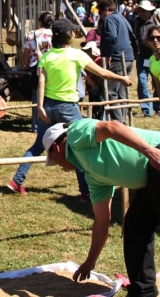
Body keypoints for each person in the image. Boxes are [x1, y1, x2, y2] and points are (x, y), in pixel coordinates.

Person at [8, 18, 132, 198]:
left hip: (48, 107)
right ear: (68, 35)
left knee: (37, 145)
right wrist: (122, 78)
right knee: (79, 147)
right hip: (67, 108)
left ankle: (16, 180)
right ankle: (85, 192)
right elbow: (102, 73)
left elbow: (41, 83)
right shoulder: (77, 55)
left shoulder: (46, 56)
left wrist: (40, 108)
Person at [43, 119, 160, 295]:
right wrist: (90, 261)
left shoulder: (75, 135)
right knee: (136, 227)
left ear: (55, 147)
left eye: (53, 159)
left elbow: (112, 127)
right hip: (149, 179)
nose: (58, 166)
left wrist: (149, 151)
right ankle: (144, 293)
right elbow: (102, 221)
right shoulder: (93, 176)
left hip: (156, 155)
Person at [98, 0, 135, 123]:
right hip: (128, 57)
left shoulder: (109, 18)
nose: (101, 17)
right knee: (121, 91)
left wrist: (108, 55)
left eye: (100, 13)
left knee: (110, 91)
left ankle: (120, 123)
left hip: (117, 58)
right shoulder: (122, 17)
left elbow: (111, 37)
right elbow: (132, 35)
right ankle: (123, 119)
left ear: (106, 10)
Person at [23, 11, 53, 133]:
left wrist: (26, 66)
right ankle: (49, 122)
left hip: (36, 66)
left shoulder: (32, 34)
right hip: (51, 66)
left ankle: (36, 125)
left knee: (36, 97)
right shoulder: (55, 34)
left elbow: (26, 54)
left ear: (40, 21)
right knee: (50, 96)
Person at [133, 1, 157, 118]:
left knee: (157, 82)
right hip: (141, 56)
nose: (141, 13)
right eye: (140, 10)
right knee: (142, 82)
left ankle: (158, 108)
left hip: (156, 56)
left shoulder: (156, 22)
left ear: (150, 11)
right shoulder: (137, 22)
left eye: (144, 10)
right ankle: (146, 109)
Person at [146, 25, 160, 117]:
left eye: (158, 37)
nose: (155, 40)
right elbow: (157, 83)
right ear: (148, 41)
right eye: (152, 38)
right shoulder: (151, 59)